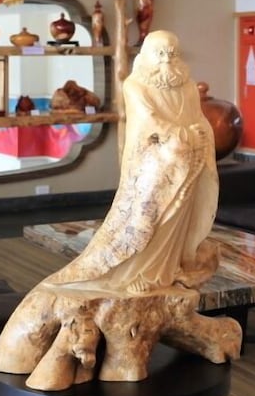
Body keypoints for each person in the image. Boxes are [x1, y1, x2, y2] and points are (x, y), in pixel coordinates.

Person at [44, 30, 219, 293]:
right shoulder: (135, 86)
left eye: (172, 53)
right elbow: (149, 123)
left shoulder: (188, 87)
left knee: (180, 216)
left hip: (188, 161)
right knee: (152, 217)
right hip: (153, 166)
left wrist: (201, 133)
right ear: (147, 54)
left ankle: (167, 271)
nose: (166, 60)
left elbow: (199, 119)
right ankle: (142, 271)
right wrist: (185, 135)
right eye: (160, 53)